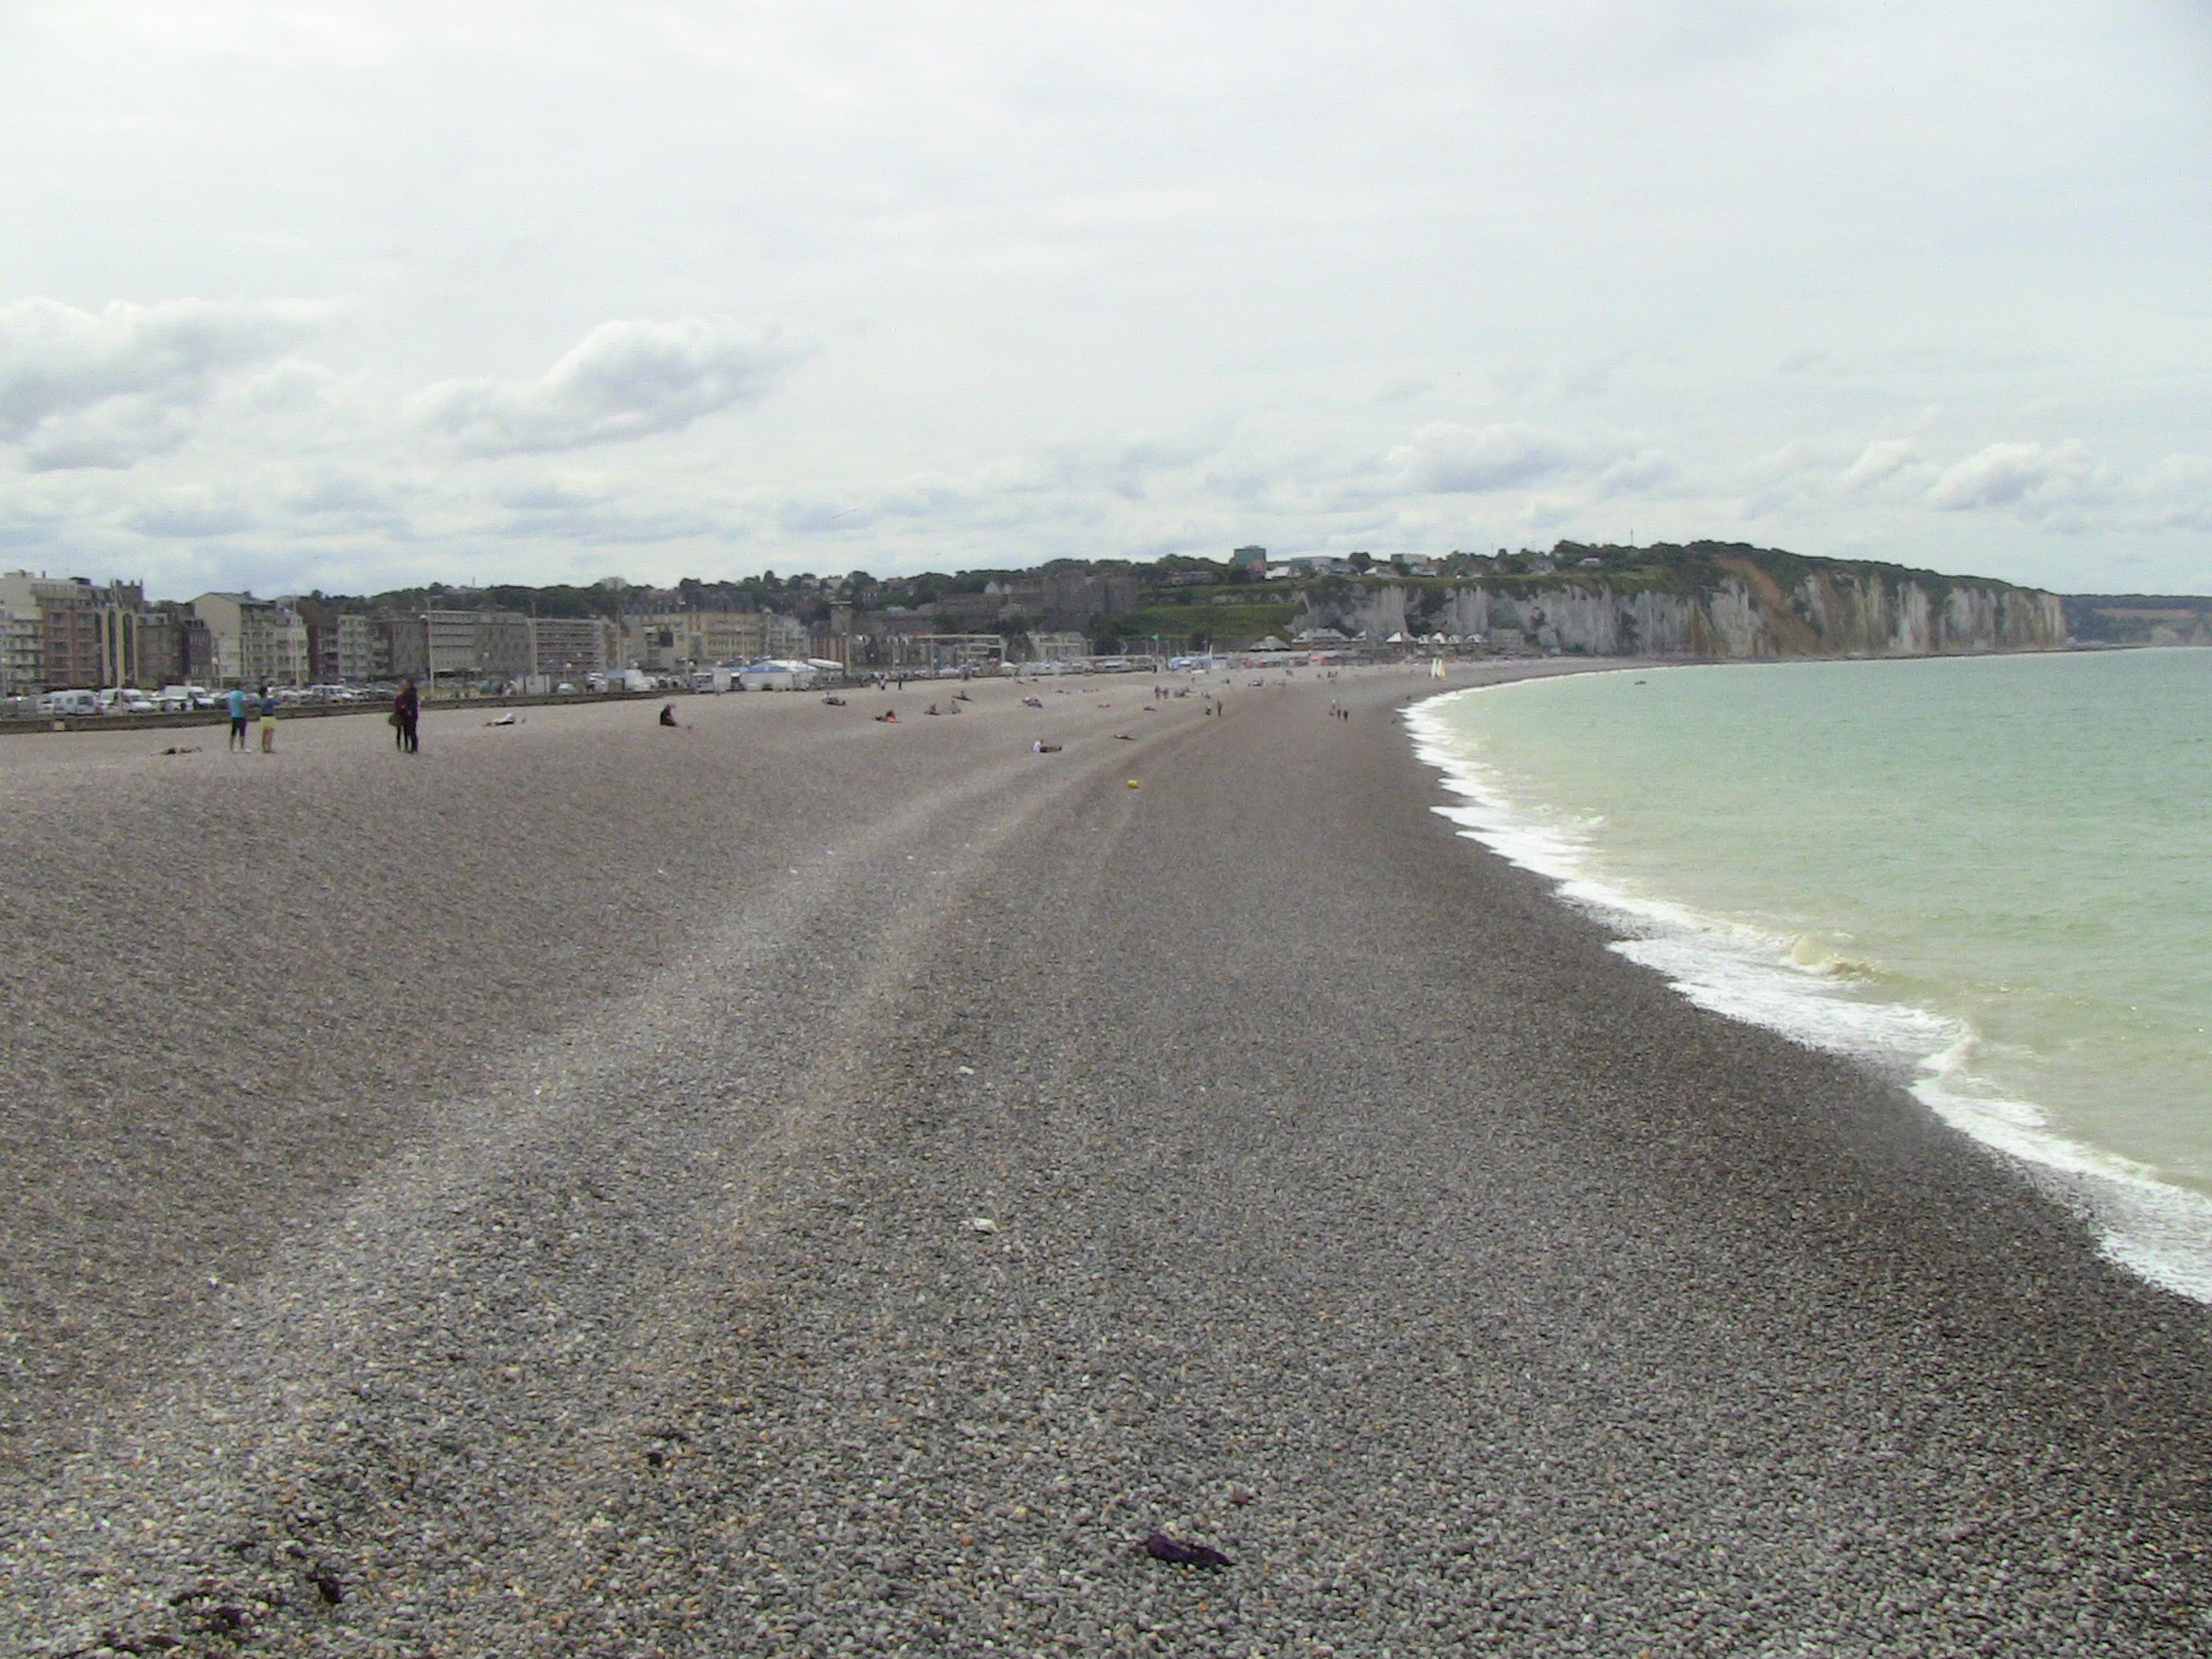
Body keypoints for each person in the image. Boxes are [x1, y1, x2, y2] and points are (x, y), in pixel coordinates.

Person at [394, 677, 420, 753]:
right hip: (405, 714)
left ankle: (414, 747)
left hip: (410, 715)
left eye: (406, 684)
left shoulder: (411, 693)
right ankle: (410, 747)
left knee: (412, 731)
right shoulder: (406, 693)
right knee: (408, 731)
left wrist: (409, 709)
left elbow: (413, 703)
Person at [226, 685, 249, 750]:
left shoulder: (231, 694)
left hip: (234, 715)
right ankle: (242, 747)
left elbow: (228, 704)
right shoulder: (241, 694)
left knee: (233, 731)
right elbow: (243, 703)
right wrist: (246, 713)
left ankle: (231, 747)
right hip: (241, 715)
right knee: (242, 732)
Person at [257, 686, 278, 752]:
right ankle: (269, 747)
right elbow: (277, 702)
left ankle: (263, 747)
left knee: (264, 733)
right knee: (270, 733)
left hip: (263, 717)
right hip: (270, 716)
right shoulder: (268, 699)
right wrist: (275, 696)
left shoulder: (260, 700)